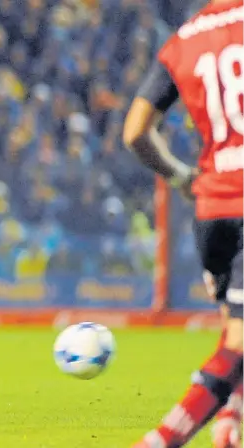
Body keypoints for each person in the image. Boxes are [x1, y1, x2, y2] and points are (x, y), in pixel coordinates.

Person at [122, 1, 243, 446]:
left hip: (212, 209)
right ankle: (161, 439)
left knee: (238, 327)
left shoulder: (183, 41)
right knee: (239, 343)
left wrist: (178, 175)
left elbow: (135, 131)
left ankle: (228, 427)